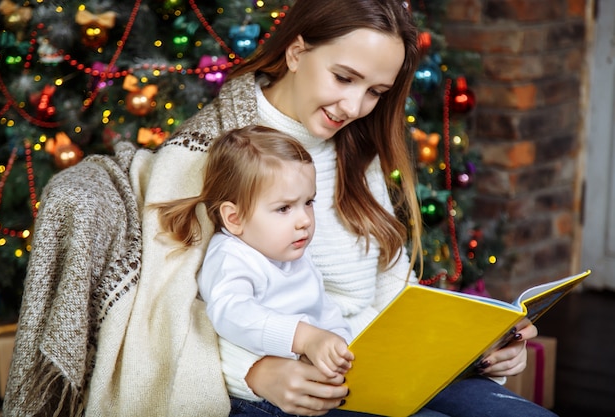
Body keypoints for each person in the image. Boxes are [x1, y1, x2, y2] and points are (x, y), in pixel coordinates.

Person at [82, 0, 558, 416]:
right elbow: (163, 317)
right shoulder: (206, 155)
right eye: (344, 77)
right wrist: (254, 371)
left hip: (373, 364)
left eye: (376, 92)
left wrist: (473, 346)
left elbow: (390, 291)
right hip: (285, 387)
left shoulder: (355, 148)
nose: (354, 106)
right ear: (296, 51)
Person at [153, 125, 355, 393]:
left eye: (309, 202)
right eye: (284, 208)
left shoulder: (292, 255)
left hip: (312, 380)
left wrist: (339, 346)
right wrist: (305, 338)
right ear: (234, 219)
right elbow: (231, 313)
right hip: (264, 400)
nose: (305, 220)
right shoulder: (231, 256)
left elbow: (326, 312)